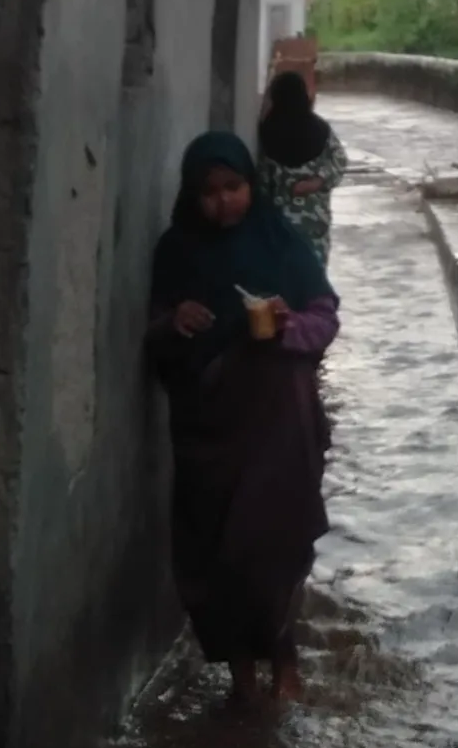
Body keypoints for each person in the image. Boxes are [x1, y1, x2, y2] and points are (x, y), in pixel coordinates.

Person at [147, 131, 339, 713]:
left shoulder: (281, 241)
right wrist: (174, 321)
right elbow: (153, 334)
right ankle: (241, 681)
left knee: (272, 545)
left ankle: (284, 667)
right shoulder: (177, 250)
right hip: (210, 430)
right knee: (217, 552)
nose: (224, 202)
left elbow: (325, 316)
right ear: (193, 196)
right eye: (209, 192)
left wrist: (285, 326)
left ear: (251, 186)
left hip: (279, 422)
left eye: (234, 187)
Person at [255, 69, 349, 263]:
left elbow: (262, 185)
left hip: (280, 229)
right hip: (315, 223)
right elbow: (339, 161)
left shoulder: (268, 134)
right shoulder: (320, 130)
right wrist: (317, 182)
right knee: (314, 283)